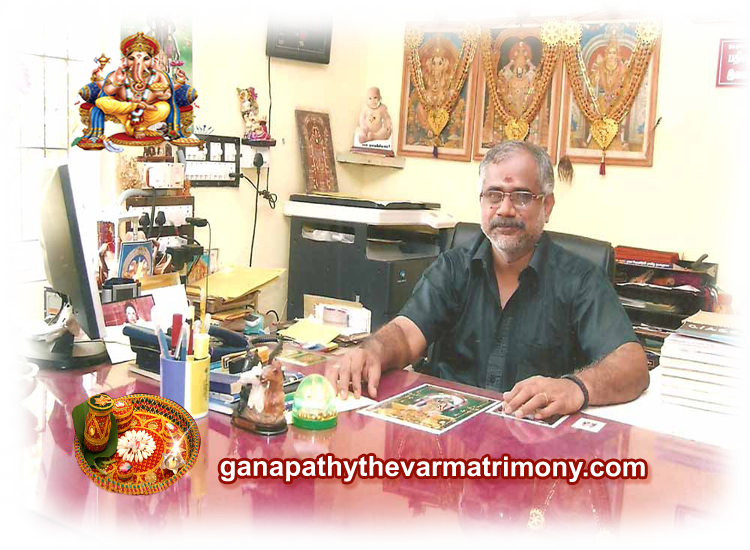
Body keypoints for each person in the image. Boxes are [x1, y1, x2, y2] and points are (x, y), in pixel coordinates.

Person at [325, 140, 649, 420]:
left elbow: (633, 364)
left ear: (547, 206)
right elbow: (407, 335)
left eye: (521, 196)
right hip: (447, 438)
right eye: (494, 195)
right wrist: (372, 351)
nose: (505, 209)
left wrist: (575, 387)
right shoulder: (453, 268)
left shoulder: (580, 281)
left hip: (531, 444)